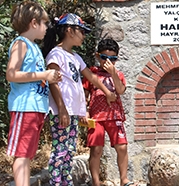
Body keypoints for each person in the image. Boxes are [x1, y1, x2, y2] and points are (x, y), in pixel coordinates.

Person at [42, 13, 117, 186]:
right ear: (70, 30)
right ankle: (56, 182)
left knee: (69, 150)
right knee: (60, 150)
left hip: (73, 112)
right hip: (62, 111)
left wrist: (107, 92)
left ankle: (65, 182)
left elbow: (90, 77)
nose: (83, 35)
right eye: (81, 31)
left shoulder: (75, 57)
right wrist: (61, 109)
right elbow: (53, 82)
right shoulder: (56, 54)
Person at [5, 1, 62, 186]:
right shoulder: (21, 44)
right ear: (34, 23)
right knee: (22, 154)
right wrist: (44, 74)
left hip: (35, 108)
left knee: (27, 154)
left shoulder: (33, 47)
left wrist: (49, 78)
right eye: (44, 23)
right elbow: (11, 74)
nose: (46, 28)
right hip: (24, 106)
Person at [83, 38, 133, 186]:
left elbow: (121, 90)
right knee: (96, 149)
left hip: (114, 115)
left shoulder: (118, 74)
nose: (108, 62)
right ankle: (96, 182)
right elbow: (85, 95)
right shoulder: (92, 73)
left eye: (113, 59)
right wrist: (85, 112)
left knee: (122, 147)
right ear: (98, 56)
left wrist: (113, 74)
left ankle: (124, 179)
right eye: (104, 57)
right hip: (96, 117)